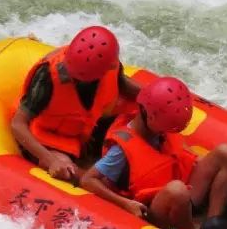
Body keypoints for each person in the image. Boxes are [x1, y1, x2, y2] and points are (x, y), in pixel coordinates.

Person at [80, 76, 227, 229]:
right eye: (166, 128)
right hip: (156, 207)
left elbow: (181, 154)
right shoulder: (120, 150)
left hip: (184, 188)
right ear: (149, 116)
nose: (168, 132)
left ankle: (212, 226)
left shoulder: (161, 123)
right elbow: (88, 180)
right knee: (177, 190)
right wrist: (125, 203)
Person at [11, 26, 141, 182]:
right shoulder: (47, 77)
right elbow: (18, 124)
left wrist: (152, 97)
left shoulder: (108, 62)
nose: (77, 79)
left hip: (85, 131)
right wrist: (51, 160)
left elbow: (121, 84)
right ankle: (105, 190)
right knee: (67, 170)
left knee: (140, 122)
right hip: (48, 138)